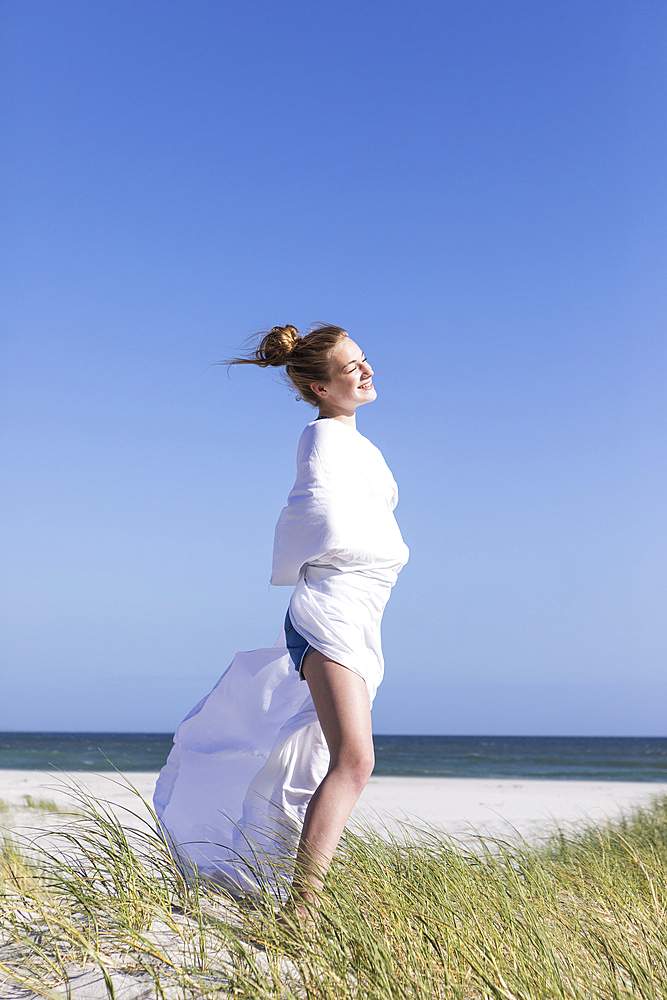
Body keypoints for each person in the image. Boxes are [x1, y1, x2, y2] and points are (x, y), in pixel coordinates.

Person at [153, 323, 409, 927]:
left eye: (364, 359)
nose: (365, 371)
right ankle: (304, 912)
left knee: (311, 754)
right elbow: (314, 514)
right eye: (351, 368)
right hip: (332, 609)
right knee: (355, 759)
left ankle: (257, 876)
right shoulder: (319, 437)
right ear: (320, 386)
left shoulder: (362, 447)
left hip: (363, 609)